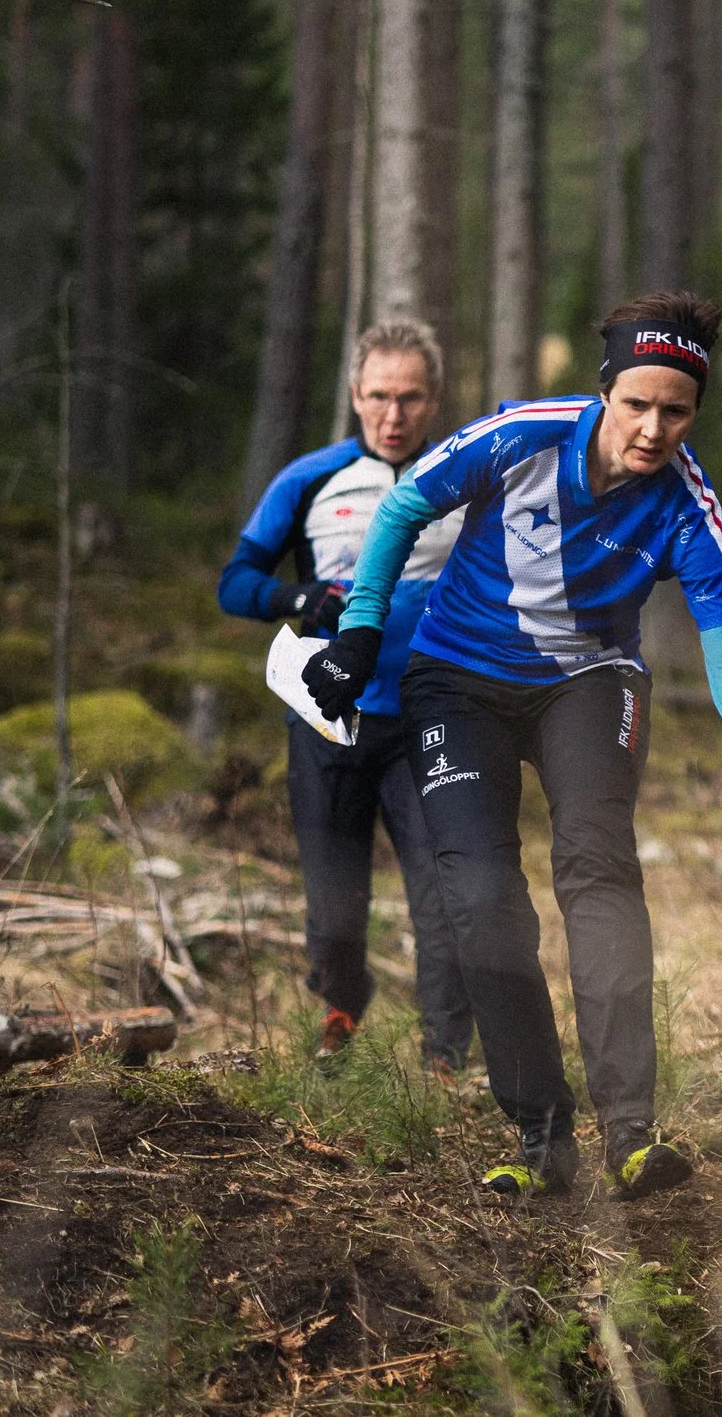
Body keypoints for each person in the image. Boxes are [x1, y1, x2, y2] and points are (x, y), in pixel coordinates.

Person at [303, 291, 722, 1202]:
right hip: (458, 676)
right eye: (636, 403)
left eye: (676, 412)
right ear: (605, 390)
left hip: (591, 680)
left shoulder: (687, 507)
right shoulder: (522, 436)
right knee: (480, 897)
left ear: (695, 411)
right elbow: (405, 503)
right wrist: (362, 629)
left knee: (598, 868)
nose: (652, 429)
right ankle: (541, 1136)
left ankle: (632, 1133)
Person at [218, 320, 476, 1069]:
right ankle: (341, 1016)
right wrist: (298, 596)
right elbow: (234, 583)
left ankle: (444, 1057)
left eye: (411, 398)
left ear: (434, 401)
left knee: (443, 896)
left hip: (433, 716)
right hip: (329, 720)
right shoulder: (308, 478)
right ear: (355, 395)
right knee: (334, 910)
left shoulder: (465, 477)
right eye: (379, 396)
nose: (394, 415)